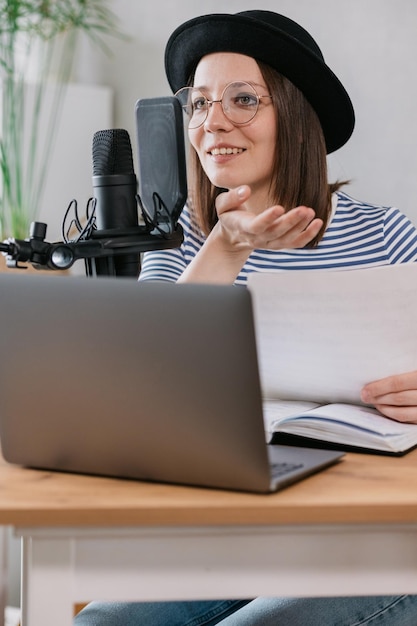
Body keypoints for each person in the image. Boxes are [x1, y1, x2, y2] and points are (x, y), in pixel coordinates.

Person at [75, 10, 417, 625]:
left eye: (242, 99)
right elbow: (143, 380)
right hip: (235, 528)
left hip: (372, 535)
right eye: (199, 103)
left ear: (295, 115)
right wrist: (227, 246)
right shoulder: (182, 240)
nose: (213, 121)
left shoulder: (389, 237)